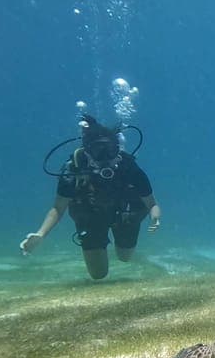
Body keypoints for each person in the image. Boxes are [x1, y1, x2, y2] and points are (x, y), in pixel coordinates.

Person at [19, 115, 162, 279]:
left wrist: (155, 217)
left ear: (117, 149)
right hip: (91, 217)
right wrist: (41, 234)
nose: (105, 158)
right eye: (98, 151)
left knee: (125, 257)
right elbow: (58, 208)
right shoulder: (73, 171)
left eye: (110, 150)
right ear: (87, 151)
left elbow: (151, 203)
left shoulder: (128, 167)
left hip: (125, 215)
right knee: (98, 274)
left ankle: (126, 249)